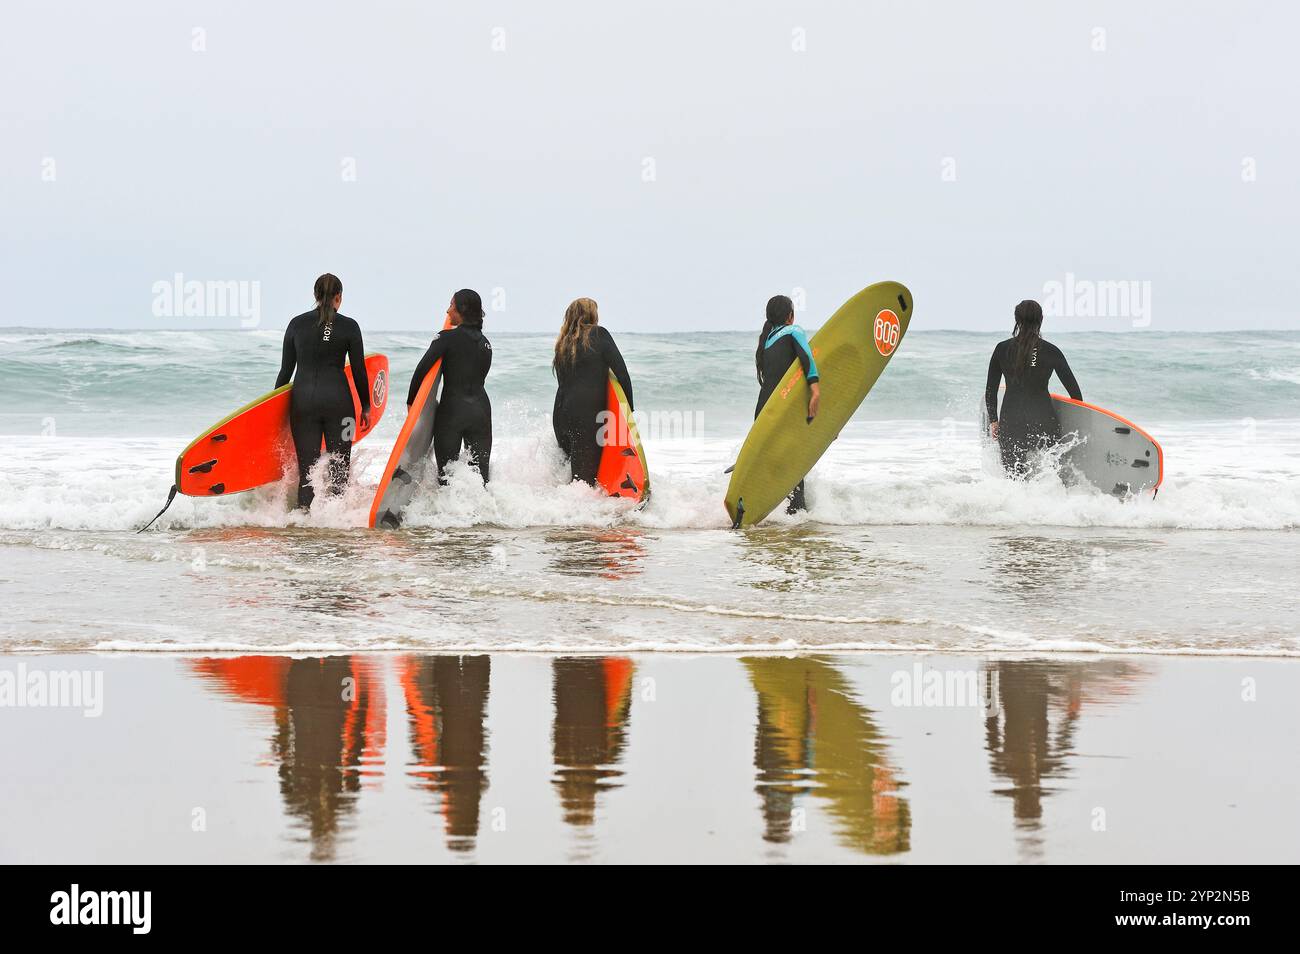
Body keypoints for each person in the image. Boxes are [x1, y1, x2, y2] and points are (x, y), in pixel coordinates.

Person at [275, 273, 370, 509]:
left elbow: (285, 372)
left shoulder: (296, 323)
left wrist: (275, 411)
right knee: (340, 468)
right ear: (339, 297)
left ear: (315, 296)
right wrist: (366, 406)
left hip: (302, 404)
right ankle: (337, 522)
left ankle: (303, 523)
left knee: (307, 471)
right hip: (341, 406)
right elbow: (359, 371)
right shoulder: (350, 326)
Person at [984, 299, 1082, 476]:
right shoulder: (1052, 351)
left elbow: (990, 390)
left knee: (1014, 477)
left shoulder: (1002, 349)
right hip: (1044, 420)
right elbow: (1075, 394)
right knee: (1048, 476)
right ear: (1041, 319)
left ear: (1016, 319)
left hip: (1011, 420)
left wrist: (994, 420)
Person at [408, 288, 493, 482]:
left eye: (451, 305)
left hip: (452, 413)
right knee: (480, 479)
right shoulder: (486, 344)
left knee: (447, 478)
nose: (447, 311)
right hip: (481, 412)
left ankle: (447, 512)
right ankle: (486, 512)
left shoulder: (446, 338)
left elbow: (422, 370)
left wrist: (411, 402)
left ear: (461, 309)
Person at [552, 297, 634, 485]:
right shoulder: (599, 334)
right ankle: (583, 513)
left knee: (573, 475)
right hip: (587, 416)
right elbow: (622, 373)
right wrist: (628, 411)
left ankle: (559, 510)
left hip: (561, 415)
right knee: (584, 482)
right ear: (592, 314)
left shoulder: (563, 344)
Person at [755, 294, 820, 512]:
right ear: (790, 316)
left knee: (773, 459)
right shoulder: (794, 331)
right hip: (784, 409)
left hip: (764, 408)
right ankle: (797, 512)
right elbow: (807, 358)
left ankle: (767, 510)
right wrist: (815, 387)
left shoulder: (766, 339)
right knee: (793, 460)